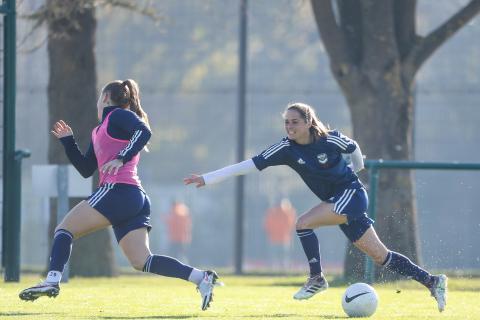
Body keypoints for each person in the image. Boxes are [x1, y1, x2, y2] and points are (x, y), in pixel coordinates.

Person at [184, 102, 447, 312]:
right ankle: (432, 281)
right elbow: (249, 165)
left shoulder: (329, 140)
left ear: (309, 122)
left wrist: (358, 169)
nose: (289, 126)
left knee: (302, 223)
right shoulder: (285, 148)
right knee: (381, 256)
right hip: (339, 201)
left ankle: (317, 279)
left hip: (351, 195)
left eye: (295, 122)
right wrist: (207, 178)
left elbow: (354, 148)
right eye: (286, 122)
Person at [20, 79, 219, 311]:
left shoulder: (116, 115)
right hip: (133, 198)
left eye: (98, 97)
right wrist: (68, 142)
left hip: (118, 191)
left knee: (64, 230)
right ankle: (200, 278)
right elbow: (86, 169)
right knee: (141, 261)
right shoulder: (99, 130)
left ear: (106, 98)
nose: (97, 102)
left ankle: (52, 281)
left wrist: (121, 156)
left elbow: (144, 131)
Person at [264, 198, 296, 269]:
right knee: (284, 256)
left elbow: (267, 225)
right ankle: (284, 268)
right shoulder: (288, 212)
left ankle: (275, 268)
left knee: (276, 257)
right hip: (283, 238)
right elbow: (291, 224)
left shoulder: (272, 212)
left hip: (276, 238)